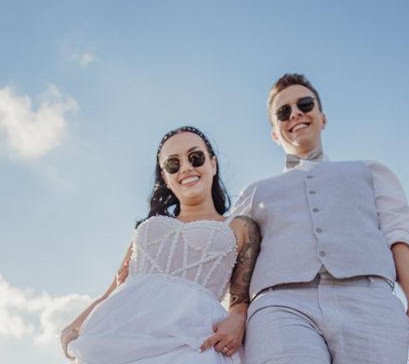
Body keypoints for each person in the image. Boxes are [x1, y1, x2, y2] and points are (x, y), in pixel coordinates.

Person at [234, 73, 409, 364]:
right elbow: (236, 255)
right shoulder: (255, 192)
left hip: (370, 300)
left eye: (305, 104)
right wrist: (236, 314)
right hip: (280, 306)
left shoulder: (371, 171)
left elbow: (398, 238)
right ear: (274, 134)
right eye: (283, 112)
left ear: (323, 117)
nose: (295, 114)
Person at [60, 126, 260, 364]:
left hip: (191, 342)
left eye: (195, 158)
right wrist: (73, 327)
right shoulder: (149, 227)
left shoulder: (239, 227)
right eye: (173, 164)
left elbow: (241, 299)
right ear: (165, 176)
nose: (186, 167)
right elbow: (113, 290)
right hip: (119, 338)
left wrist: (238, 317)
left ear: (213, 164)